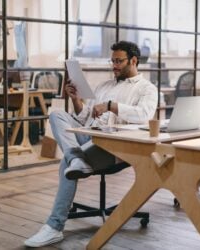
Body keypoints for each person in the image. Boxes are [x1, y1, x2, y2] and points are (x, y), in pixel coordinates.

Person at [24, 41, 158, 247]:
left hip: (114, 147)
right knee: (57, 114)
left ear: (133, 60)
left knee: (66, 165)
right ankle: (77, 159)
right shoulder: (105, 86)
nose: (114, 65)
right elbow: (88, 118)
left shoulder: (147, 89)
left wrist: (111, 106)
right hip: (89, 135)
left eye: (119, 61)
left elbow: (144, 116)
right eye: (112, 61)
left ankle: (54, 226)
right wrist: (76, 100)